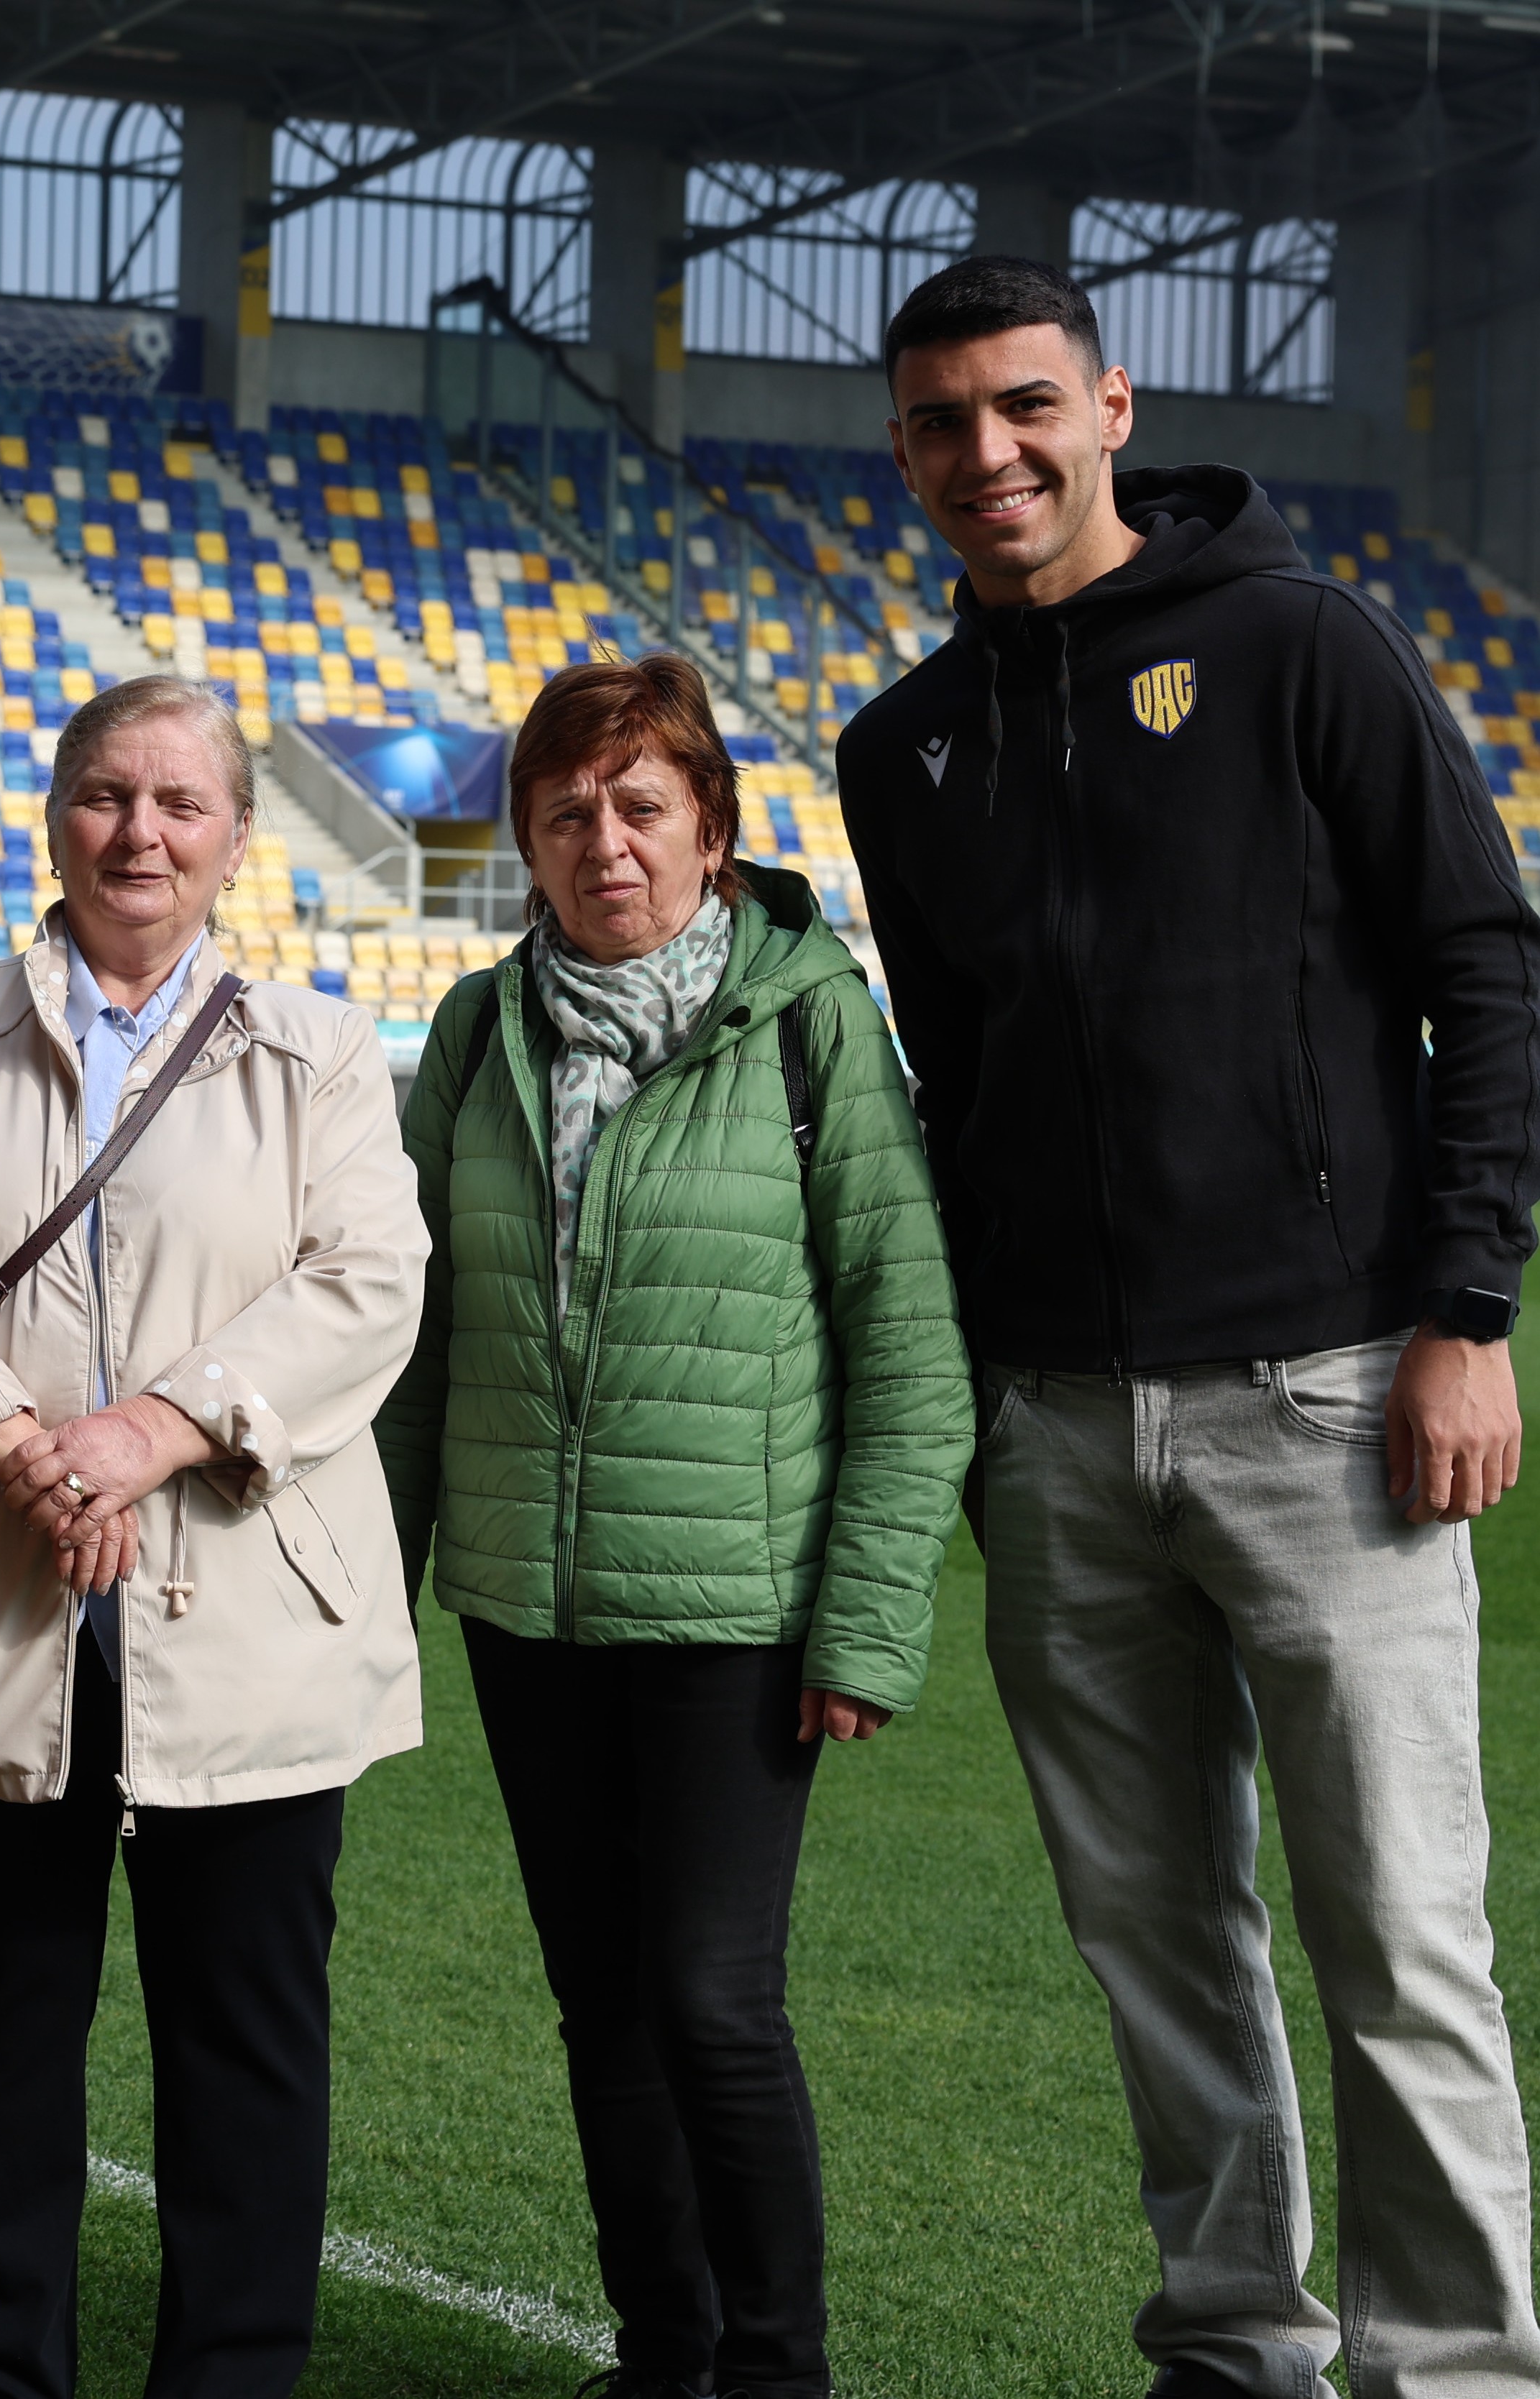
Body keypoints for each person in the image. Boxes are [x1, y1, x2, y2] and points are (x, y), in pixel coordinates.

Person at [838, 255, 1540, 2399]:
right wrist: (979, 1403)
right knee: (1153, 1940)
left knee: (1397, 1931)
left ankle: (1453, 2373)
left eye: (1022, 406)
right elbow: (954, 1089)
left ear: (1111, 409)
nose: (985, 454)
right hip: (1056, 1431)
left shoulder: (1298, 643)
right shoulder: (901, 744)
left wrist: (1464, 1311)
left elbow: (1484, 966)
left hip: (1327, 1401)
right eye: (940, 423)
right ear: (904, 452)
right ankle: (1234, 2344)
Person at [377, 654, 970, 2399]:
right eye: (565, 813)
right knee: (602, 2004)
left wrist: (863, 1619)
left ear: (710, 828)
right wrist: (361, 1598)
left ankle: (776, 2372)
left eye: (639, 807)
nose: (604, 844)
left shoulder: (806, 1021)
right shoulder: (476, 1030)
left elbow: (906, 1339)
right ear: (525, 842)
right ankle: (662, 2355)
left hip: (732, 1605)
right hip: (525, 1604)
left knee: (711, 1998)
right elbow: (410, 1336)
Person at [0, 673, 426, 2399]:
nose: (139, 833)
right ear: (51, 817)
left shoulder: (319, 1049)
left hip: (249, 1632)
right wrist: (14, 1438)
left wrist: (148, 1431)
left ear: (237, 838)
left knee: (244, 2062)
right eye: (105, 794)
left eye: (180, 804)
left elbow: (366, 1282)